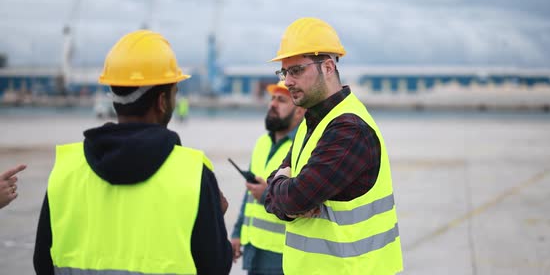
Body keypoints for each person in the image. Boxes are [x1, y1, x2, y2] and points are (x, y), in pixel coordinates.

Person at [33, 30, 233, 275]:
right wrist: (215, 217)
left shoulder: (66, 169)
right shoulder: (193, 173)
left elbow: (43, 263)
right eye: (174, 92)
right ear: (162, 101)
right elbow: (215, 268)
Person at [263, 17, 403, 274]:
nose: (287, 82)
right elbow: (275, 195)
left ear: (328, 67)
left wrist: (285, 190)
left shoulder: (349, 130)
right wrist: (283, 187)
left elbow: (294, 198)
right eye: (284, 72)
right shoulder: (312, 121)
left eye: (296, 71)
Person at [231, 81, 305, 275]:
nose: (272, 104)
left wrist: (267, 195)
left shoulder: (304, 147)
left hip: (283, 255)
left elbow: (303, 200)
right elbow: (249, 194)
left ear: (299, 112)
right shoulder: (262, 143)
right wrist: (238, 232)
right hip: (254, 250)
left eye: (281, 100)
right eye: (272, 98)